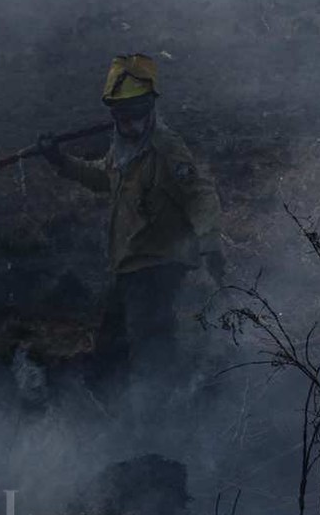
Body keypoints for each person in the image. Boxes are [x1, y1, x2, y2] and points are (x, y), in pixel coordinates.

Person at [38, 54, 223, 393]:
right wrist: (58, 160)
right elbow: (102, 178)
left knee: (150, 350)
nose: (133, 124)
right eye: (125, 116)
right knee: (110, 348)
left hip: (158, 264)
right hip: (130, 266)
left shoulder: (166, 148)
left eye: (139, 115)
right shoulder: (124, 149)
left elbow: (200, 194)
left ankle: (154, 425)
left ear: (150, 109)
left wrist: (210, 240)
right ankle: (117, 416)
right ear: (115, 115)